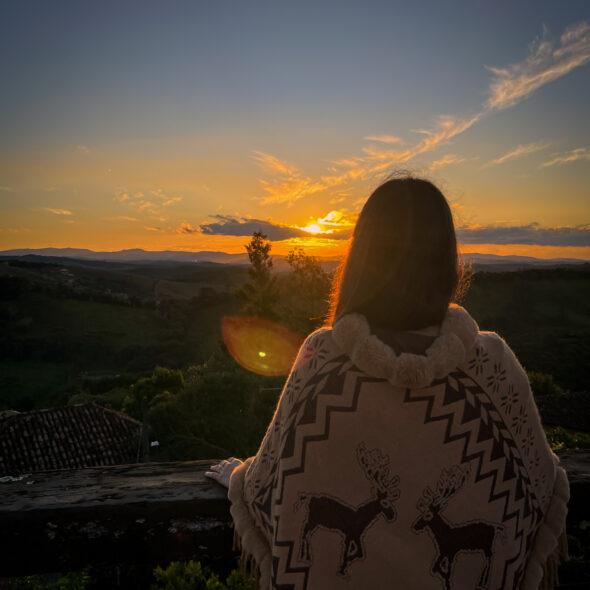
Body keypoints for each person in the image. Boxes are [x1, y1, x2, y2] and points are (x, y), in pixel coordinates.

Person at [206, 177, 569, 590]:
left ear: (362, 259)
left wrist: (239, 476)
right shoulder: (490, 368)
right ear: (446, 261)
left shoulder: (323, 363)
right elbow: (539, 487)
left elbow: (267, 489)